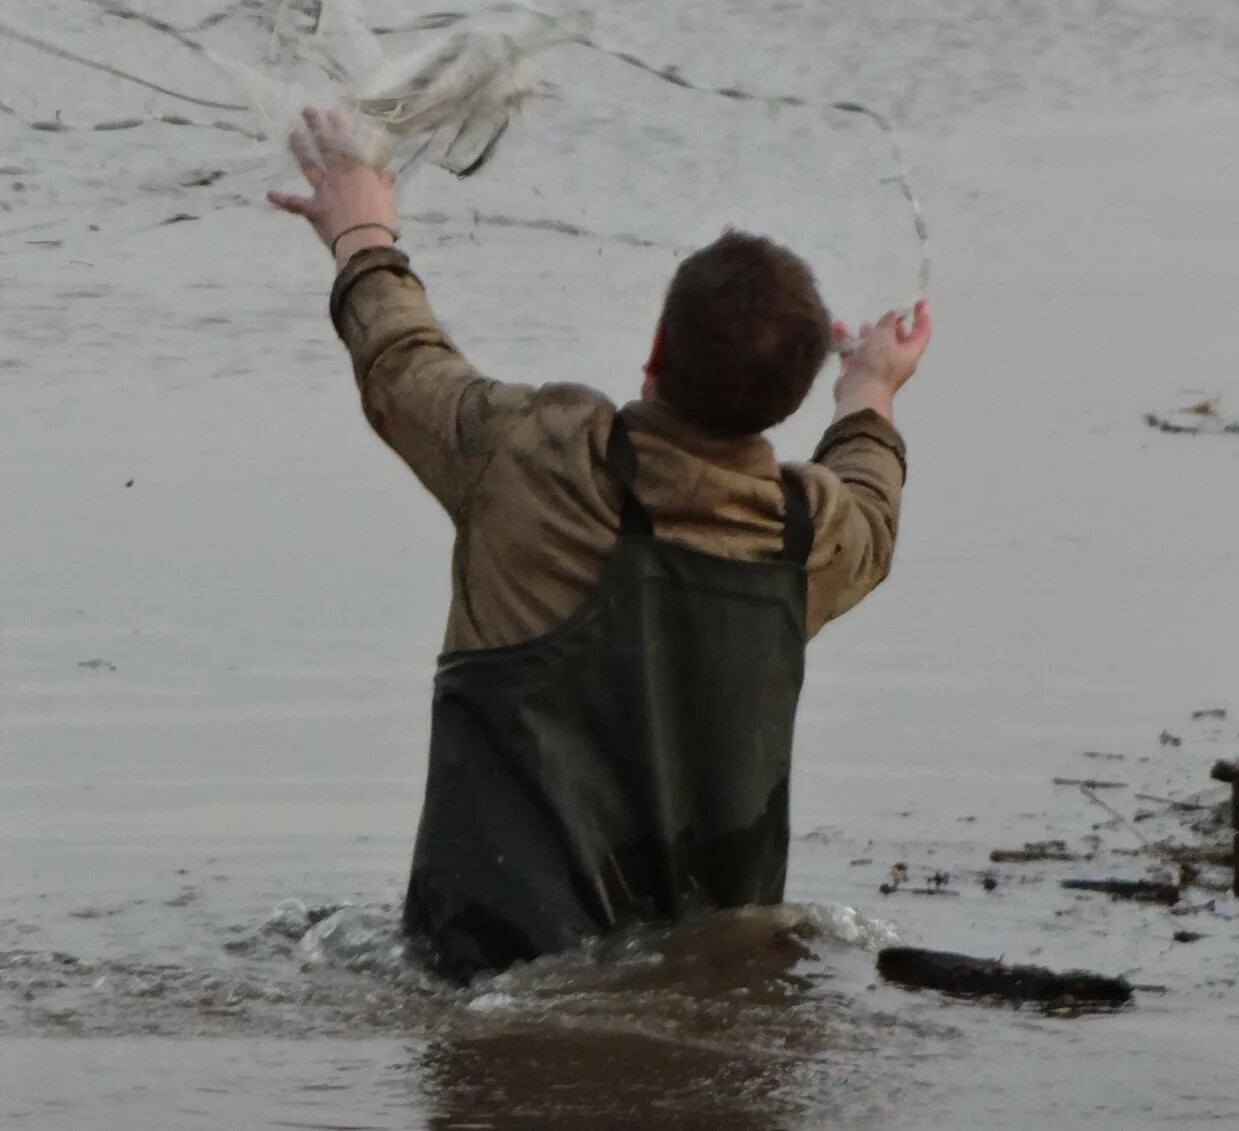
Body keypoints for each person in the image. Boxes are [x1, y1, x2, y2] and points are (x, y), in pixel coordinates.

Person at [269, 106, 932, 984]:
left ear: (657, 344)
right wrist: (870, 389)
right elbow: (872, 507)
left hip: (484, 974)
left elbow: (400, 361)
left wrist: (361, 227)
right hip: (707, 982)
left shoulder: (537, 457)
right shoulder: (807, 533)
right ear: (790, 396)